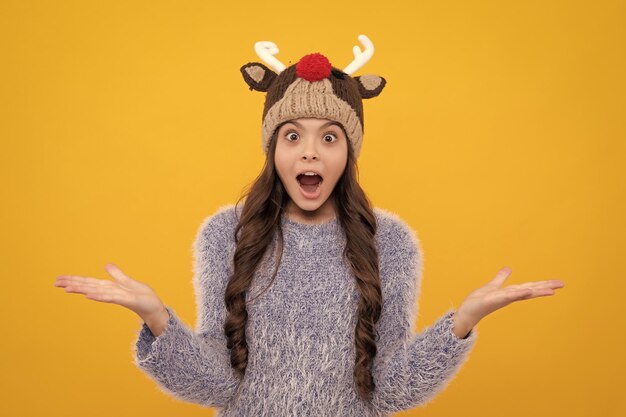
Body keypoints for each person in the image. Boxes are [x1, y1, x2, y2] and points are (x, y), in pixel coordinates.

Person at [53, 35, 565, 416]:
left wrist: (461, 324)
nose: (309, 152)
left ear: (350, 150)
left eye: (329, 137)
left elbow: (389, 389)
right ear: (273, 148)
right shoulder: (226, 234)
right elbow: (217, 384)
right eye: (292, 135)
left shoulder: (390, 242)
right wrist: (155, 318)